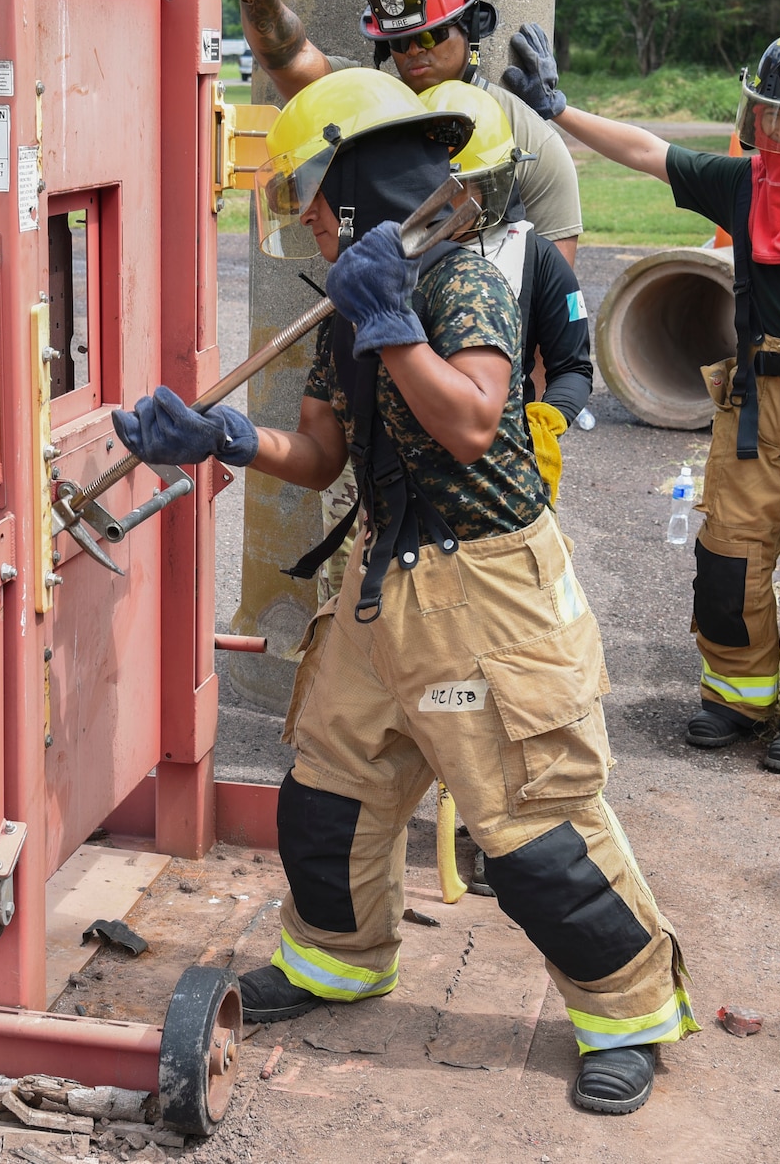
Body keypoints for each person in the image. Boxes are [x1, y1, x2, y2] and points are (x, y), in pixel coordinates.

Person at [112, 68, 697, 1115]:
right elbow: (325, 451)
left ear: (350, 187)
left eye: (306, 194)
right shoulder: (352, 299)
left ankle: (627, 1013)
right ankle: (339, 960)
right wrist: (228, 439)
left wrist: (390, 322)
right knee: (329, 794)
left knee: (532, 830)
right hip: (385, 582)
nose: (299, 218)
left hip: (486, 589)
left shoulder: (452, 281)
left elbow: (473, 420)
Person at [502, 25, 780, 773]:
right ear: (754, 116)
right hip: (751, 408)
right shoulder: (742, 186)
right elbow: (646, 152)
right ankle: (738, 696)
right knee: (729, 557)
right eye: (773, 113)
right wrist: (558, 109)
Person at [220, 0, 583, 265]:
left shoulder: (534, 139)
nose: (413, 51)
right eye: (399, 40)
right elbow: (292, 58)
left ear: (470, 28)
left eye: (430, 35)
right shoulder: (364, 104)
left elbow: (549, 278)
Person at [418, 78, 591, 504]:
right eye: (433, 187)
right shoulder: (391, 259)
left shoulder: (537, 258)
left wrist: (546, 421)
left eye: (461, 189)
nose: (446, 202)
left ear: (495, 182)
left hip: (508, 468)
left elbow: (573, 367)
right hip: (410, 468)